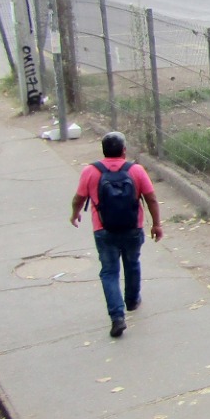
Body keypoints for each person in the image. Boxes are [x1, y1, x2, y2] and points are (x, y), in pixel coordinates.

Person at [70, 131, 162, 338]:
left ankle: (117, 317)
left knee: (109, 272)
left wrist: (75, 214)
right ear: (124, 151)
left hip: (104, 230)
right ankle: (132, 300)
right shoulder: (136, 170)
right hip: (132, 228)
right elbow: (151, 198)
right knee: (132, 264)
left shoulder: (91, 172)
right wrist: (157, 225)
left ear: (103, 151)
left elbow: (78, 198)